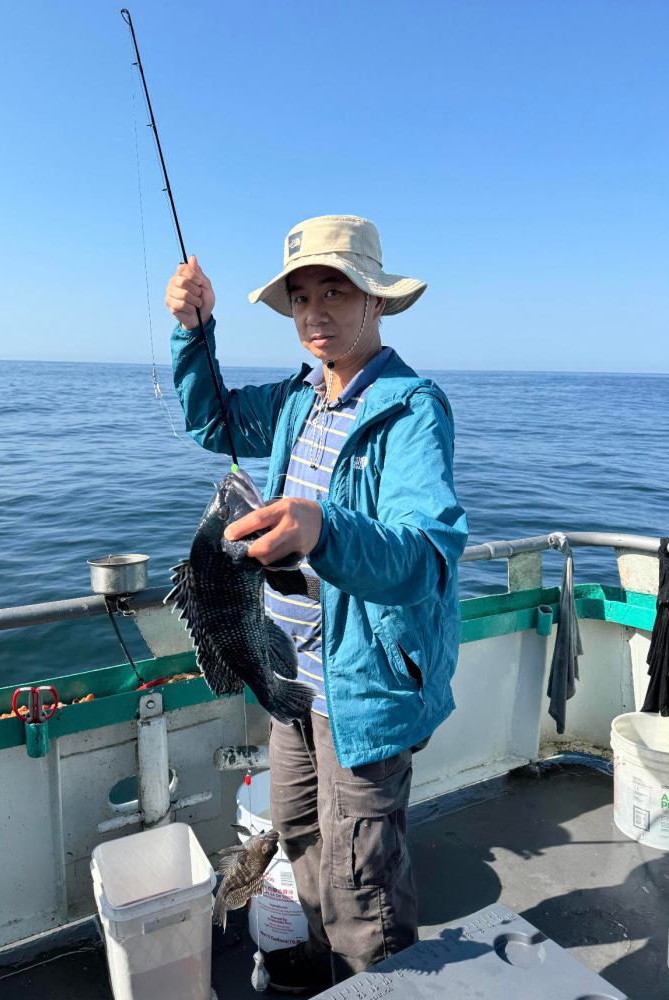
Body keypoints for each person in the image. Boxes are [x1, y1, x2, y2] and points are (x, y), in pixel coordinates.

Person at [165, 215, 468, 992]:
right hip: (288, 676)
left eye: (336, 291)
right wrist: (193, 334)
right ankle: (317, 967)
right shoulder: (301, 397)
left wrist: (321, 528)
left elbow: (424, 556)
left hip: (361, 690)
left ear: (376, 303)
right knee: (299, 835)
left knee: (361, 879)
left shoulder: (409, 411)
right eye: (301, 296)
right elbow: (214, 422)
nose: (316, 312)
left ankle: (377, 980)